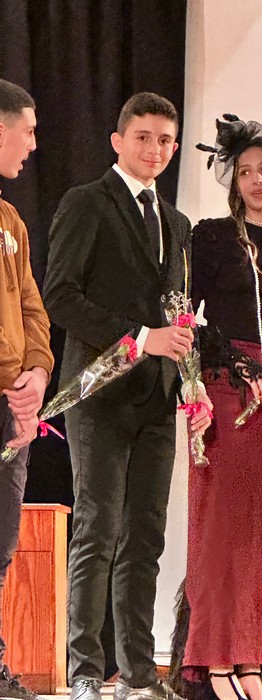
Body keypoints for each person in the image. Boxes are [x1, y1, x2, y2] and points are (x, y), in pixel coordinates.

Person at [43, 92, 211, 700]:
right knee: (97, 530)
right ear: (118, 140)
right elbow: (60, 295)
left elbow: (177, 313)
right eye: (143, 137)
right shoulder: (87, 202)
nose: (155, 149)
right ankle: (85, 671)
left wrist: (190, 376)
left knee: (146, 537)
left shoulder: (178, 224)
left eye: (165, 140)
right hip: (100, 396)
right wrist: (140, 338)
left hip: (159, 400)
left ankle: (138, 671)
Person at [169, 115, 262, 700]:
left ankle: (251, 657)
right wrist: (238, 365)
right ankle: (211, 659)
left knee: (260, 529)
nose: (258, 179)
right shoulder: (213, 236)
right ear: (235, 182)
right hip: (224, 389)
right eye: (247, 171)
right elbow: (184, 313)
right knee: (219, 528)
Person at [0, 78, 54, 699]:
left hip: (13, 407)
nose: (34, 145)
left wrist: (36, 376)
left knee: (1, 540)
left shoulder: (11, 219)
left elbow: (34, 310)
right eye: (29, 130)